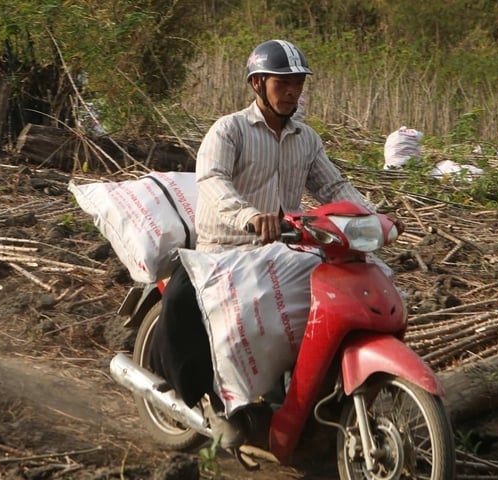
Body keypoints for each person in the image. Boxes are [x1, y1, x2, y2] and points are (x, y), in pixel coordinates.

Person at [151, 39, 375, 448]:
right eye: (283, 83)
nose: (293, 91)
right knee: (183, 300)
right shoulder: (229, 130)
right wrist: (249, 216)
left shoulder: (306, 139)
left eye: (298, 83)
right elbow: (213, 181)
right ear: (258, 84)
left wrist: (370, 216)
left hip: (281, 251)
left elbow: (333, 185)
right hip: (224, 250)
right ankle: (208, 404)